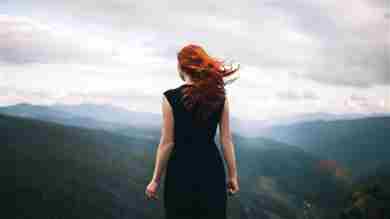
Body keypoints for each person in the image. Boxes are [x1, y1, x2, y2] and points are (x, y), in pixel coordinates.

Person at [145, 44, 240, 219]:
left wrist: (155, 180)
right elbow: (226, 140)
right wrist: (233, 175)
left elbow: (167, 143)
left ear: (182, 68)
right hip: (211, 169)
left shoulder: (170, 98)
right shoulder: (220, 97)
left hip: (180, 170)